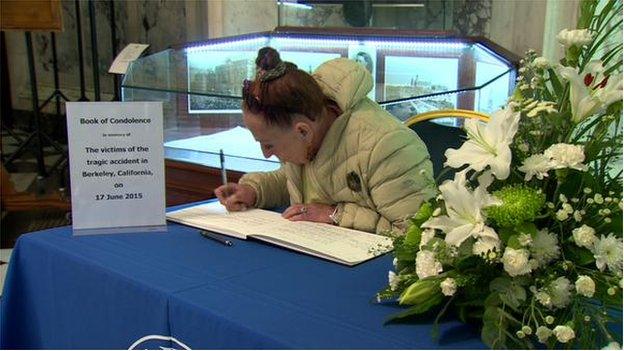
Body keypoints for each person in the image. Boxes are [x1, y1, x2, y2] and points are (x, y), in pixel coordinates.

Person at [214, 47, 435, 234]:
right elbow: (300, 180)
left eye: (269, 144)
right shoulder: (311, 127)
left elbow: (417, 232)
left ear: (303, 132)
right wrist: (254, 191)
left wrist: (336, 215)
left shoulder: (387, 146)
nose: (265, 154)